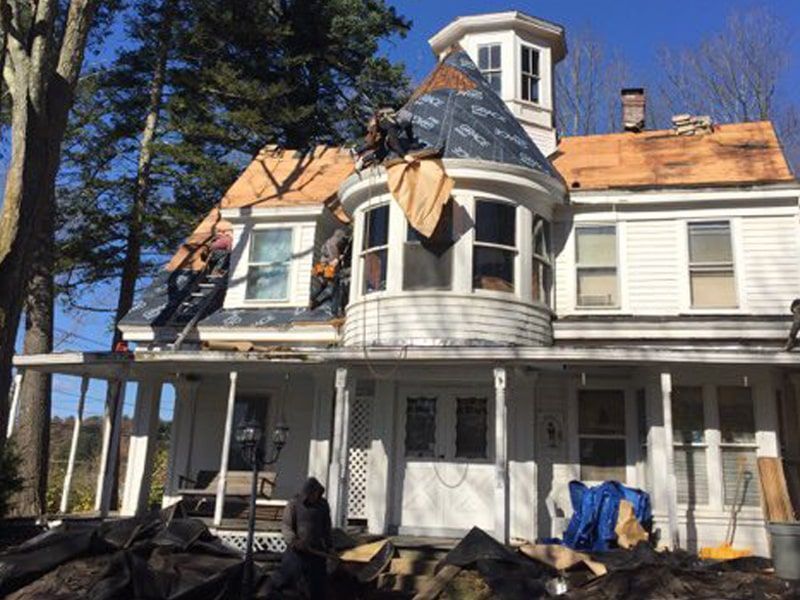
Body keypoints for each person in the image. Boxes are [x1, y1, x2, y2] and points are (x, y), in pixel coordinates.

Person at [267, 478, 334, 599]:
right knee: (288, 583)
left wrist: (330, 546)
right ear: (307, 493)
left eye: (316, 494)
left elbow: (326, 528)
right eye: (312, 494)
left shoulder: (323, 505)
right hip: (296, 553)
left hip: (316, 553)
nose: (314, 496)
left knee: (317, 587)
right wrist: (294, 541)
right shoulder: (294, 504)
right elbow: (286, 526)